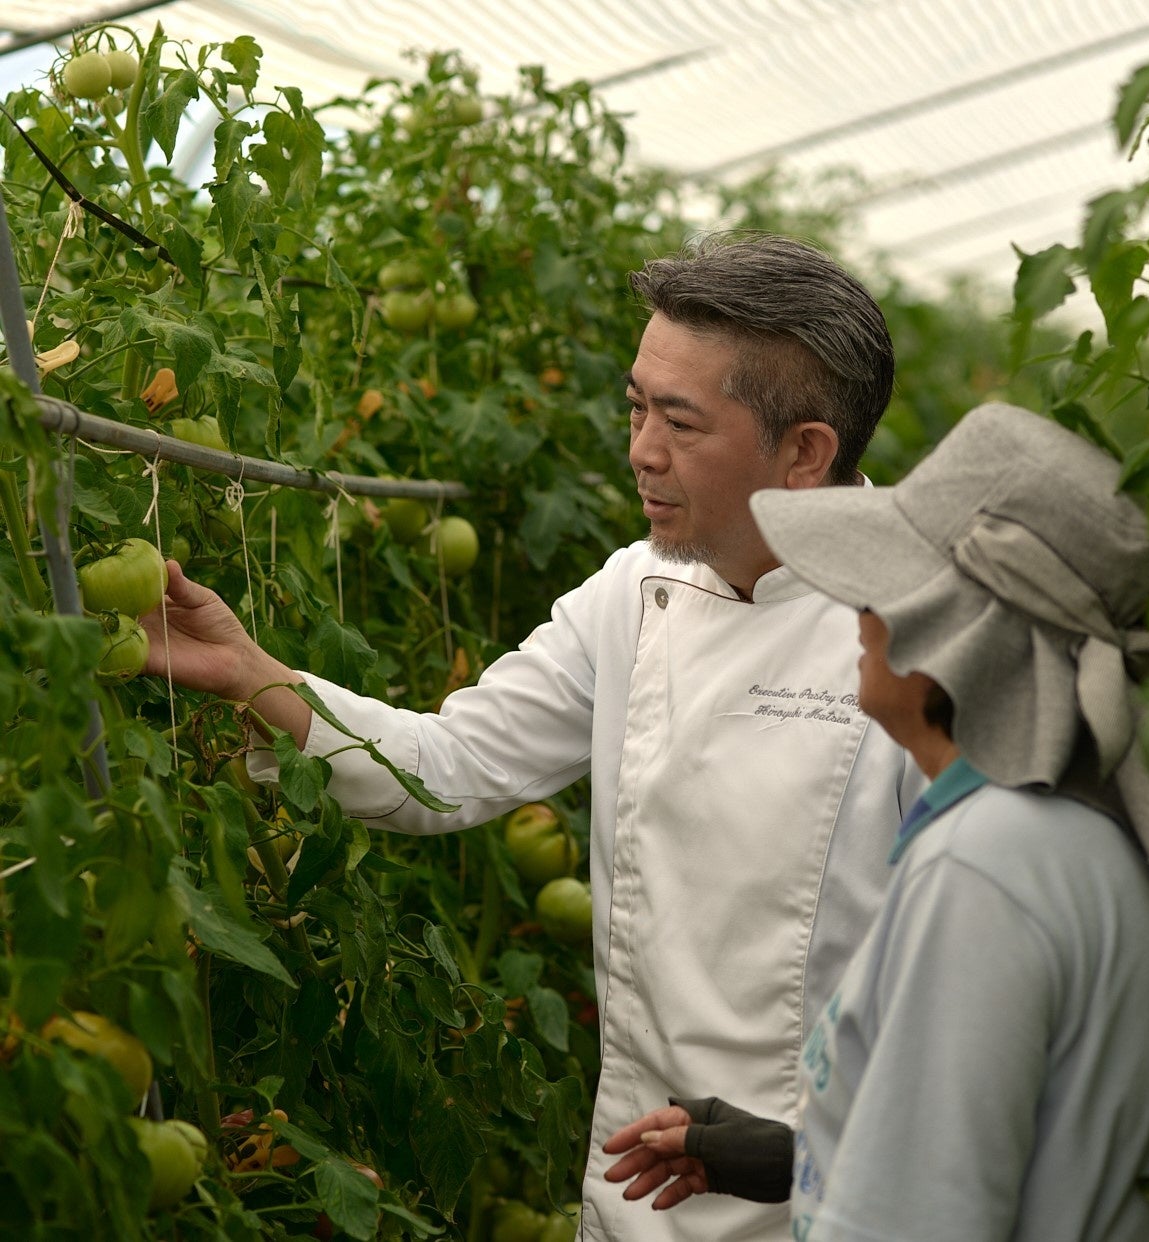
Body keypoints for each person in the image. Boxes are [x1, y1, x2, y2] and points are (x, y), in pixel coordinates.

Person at [142, 232, 924, 1240]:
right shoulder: (632, 596)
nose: (641, 449)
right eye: (637, 407)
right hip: (631, 1195)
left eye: (680, 422)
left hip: (831, 1204)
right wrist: (252, 677)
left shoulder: (919, 634)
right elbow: (446, 766)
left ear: (806, 452)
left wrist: (817, 1157)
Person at [603, 402, 1149, 1240]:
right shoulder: (1107, 824)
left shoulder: (987, 862)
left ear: (954, 629)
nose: (853, 609)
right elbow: (1044, 1138)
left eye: (881, 582)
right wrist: (799, 1152)